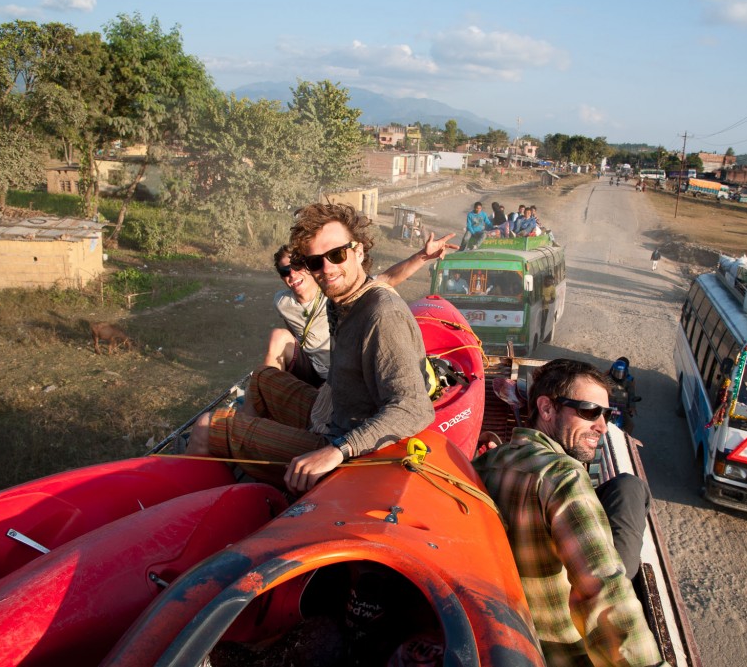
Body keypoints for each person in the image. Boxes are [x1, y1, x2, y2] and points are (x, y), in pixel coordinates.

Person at [188, 203, 436, 494]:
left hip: (346, 443)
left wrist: (337, 451)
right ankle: (246, 457)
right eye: (316, 262)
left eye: (336, 254)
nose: (327, 268)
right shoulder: (339, 303)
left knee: (207, 425)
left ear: (359, 252)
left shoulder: (382, 314)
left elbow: (414, 409)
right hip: (332, 413)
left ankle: (198, 504)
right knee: (263, 377)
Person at [473, 359, 662, 667]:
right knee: (629, 489)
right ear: (546, 409)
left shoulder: (486, 463)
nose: (602, 425)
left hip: (502, 633)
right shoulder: (562, 475)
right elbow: (602, 586)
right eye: (589, 411)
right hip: (562, 653)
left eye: (606, 413)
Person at [264, 232, 458, 387]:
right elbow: (294, 333)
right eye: (285, 271)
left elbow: (387, 279)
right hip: (312, 370)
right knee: (278, 337)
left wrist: (423, 255)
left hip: (342, 372)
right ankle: (269, 390)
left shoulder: (334, 292)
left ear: (308, 268)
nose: (292, 275)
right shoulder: (282, 302)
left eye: (297, 267)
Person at [608, 357, 637, 434]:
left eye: (620, 373)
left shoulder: (628, 383)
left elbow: (631, 395)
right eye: (616, 372)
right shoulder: (606, 380)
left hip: (622, 409)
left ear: (625, 372)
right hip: (606, 407)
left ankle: (626, 440)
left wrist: (632, 407)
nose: (618, 375)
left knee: (630, 425)